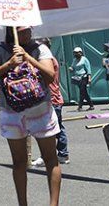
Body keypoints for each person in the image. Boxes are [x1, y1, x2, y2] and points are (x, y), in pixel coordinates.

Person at [0, 26, 61, 206]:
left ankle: (54, 204)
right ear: (12, 30)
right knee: (19, 162)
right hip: (12, 112)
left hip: (41, 109)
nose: (28, 32)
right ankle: (23, 203)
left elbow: (50, 76)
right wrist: (9, 63)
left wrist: (28, 58)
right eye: (22, 29)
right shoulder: (0, 50)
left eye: (29, 28)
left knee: (50, 158)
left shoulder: (40, 48)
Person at [33, 38, 69, 167]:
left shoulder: (48, 60)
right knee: (58, 127)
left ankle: (49, 155)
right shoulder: (51, 59)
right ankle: (62, 154)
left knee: (50, 129)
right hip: (55, 97)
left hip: (52, 98)